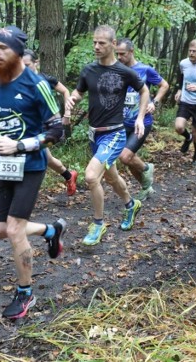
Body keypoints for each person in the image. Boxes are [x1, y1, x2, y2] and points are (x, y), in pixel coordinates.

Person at [0, 26, 67, 319]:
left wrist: (20, 145)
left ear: (17, 52)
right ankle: (50, 230)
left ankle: (26, 293)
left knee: (15, 229)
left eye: (3, 48)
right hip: (6, 164)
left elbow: (57, 130)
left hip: (31, 165)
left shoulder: (37, 84)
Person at [66, 25, 149, 246]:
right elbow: (79, 92)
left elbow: (144, 91)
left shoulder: (125, 72)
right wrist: (73, 99)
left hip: (114, 134)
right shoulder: (88, 70)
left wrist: (140, 117)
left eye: (101, 43)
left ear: (113, 44)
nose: (96, 46)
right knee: (111, 177)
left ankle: (98, 224)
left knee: (92, 176)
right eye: (94, 42)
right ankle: (131, 205)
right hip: (94, 134)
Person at [115, 38, 169, 200]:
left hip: (141, 122)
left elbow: (164, 85)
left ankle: (146, 167)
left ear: (131, 52)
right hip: (122, 122)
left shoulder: (145, 70)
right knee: (128, 159)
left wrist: (155, 102)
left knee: (125, 156)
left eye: (122, 54)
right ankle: (146, 187)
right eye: (117, 54)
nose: (119, 57)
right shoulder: (118, 70)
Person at [22, 49, 78, 196]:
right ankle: (69, 175)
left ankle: (24, 195)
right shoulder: (18, 82)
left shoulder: (44, 79)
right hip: (29, 129)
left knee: (37, 157)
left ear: (36, 63)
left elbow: (65, 91)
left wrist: (67, 113)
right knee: (48, 159)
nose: (23, 69)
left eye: (26, 65)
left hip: (49, 129)